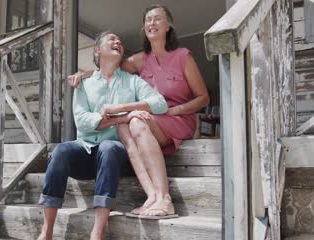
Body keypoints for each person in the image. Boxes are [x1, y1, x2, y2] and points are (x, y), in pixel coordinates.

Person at [22, 31, 168, 240]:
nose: (117, 41)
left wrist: (123, 107)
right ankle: (46, 233)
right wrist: (123, 118)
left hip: (118, 156)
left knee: (109, 146)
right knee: (60, 151)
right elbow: (82, 121)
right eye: (111, 39)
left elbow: (160, 104)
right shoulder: (84, 83)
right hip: (87, 151)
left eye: (120, 40)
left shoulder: (132, 81)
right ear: (97, 51)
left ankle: (97, 236)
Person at [68, 4, 209, 218]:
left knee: (134, 122)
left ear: (168, 26)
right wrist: (84, 74)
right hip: (153, 118)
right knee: (124, 125)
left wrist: (174, 110)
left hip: (179, 119)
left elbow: (203, 98)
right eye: (148, 20)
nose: (151, 23)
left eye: (157, 19)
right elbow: (108, 67)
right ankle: (151, 196)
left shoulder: (183, 56)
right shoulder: (139, 60)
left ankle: (165, 198)